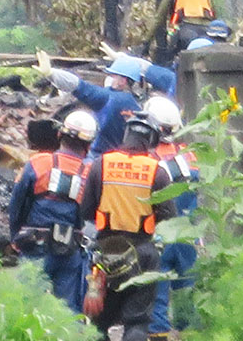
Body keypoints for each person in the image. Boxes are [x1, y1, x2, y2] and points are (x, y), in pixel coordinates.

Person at [80, 113, 176, 341]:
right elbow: (170, 217)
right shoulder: (157, 172)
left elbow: (85, 212)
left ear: (126, 134)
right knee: (138, 322)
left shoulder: (100, 165)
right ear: (152, 139)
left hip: (106, 254)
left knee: (98, 322)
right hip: (143, 253)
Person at [9, 110, 97, 312]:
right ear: (89, 144)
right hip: (71, 250)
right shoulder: (90, 172)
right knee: (67, 313)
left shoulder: (38, 163)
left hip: (35, 246)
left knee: (26, 308)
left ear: (60, 135)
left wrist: (15, 236)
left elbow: (17, 203)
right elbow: (92, 216)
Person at [144, 97, 198, 341]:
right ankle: (190, 335)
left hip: (160, 236)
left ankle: (159, 335)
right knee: (187, 291)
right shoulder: (190, 156)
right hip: (187, 234)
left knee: (157, 294)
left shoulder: (148, 161)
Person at [34, 49, 141, 159]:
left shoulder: (108, 97)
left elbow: (77, 85)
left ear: (122, 81)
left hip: (98, 157)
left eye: (113, 75)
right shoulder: (139, 106)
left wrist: (52, 74)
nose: (110, 78)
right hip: (125, 160)